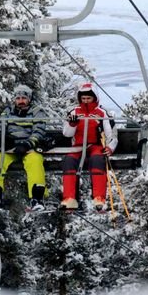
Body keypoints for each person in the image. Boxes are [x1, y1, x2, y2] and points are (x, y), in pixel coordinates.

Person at [0, 84, 48, 210]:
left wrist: (28, 143)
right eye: (18, 98)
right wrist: (3, 137)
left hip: (29, 148)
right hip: (10, 147)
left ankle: (37, 198)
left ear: (29, 99)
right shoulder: (8, 112)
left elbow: (39, 130)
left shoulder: (36, 112)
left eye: (23, 98)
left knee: (35, 161)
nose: (21, 101)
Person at [61, 82, 117, 211]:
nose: (86, 101)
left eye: (88, 98)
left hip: (94, 145)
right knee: (69, 161)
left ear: (94, 98)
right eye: (83, 98)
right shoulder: (74, 112)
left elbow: (111, 133)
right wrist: (72, 124)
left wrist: (110, 147)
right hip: (78, 146)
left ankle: (99, 197)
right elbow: (66, 133)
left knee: (97, 159)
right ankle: (69, 198)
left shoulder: (101, 113)